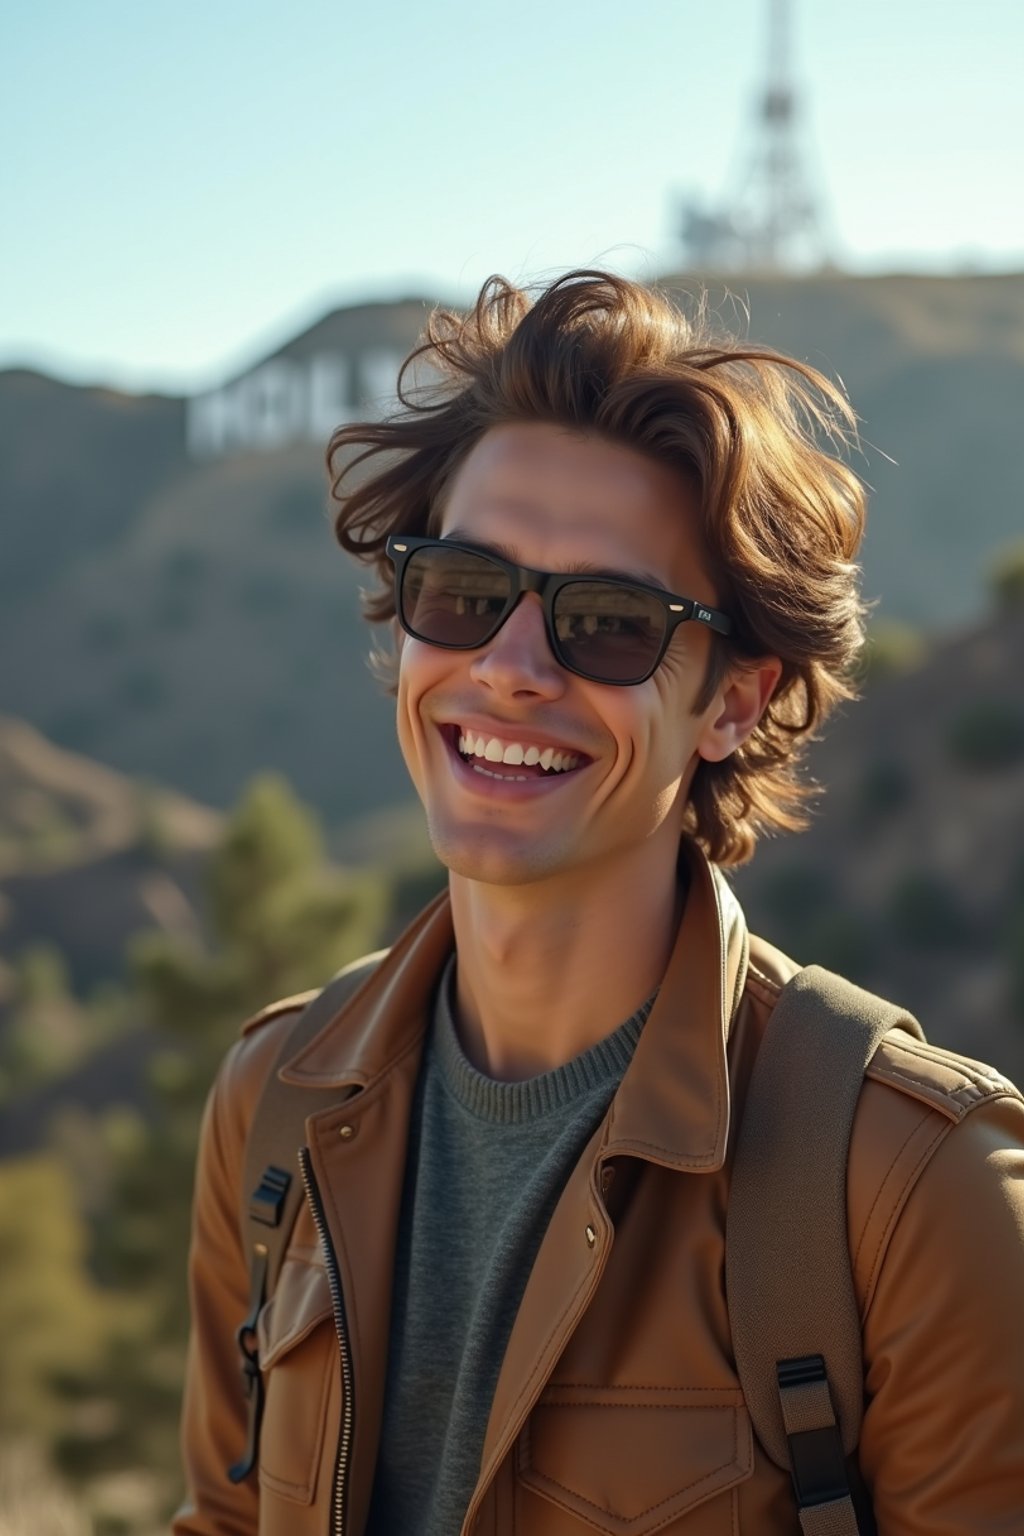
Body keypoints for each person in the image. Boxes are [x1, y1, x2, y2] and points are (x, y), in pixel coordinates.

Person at [174, 271, 1024, 1535]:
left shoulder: (910, 1188)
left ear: (735, 699)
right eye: (463, 591)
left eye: (611, 623)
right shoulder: (277, 1101)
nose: (509, 671)